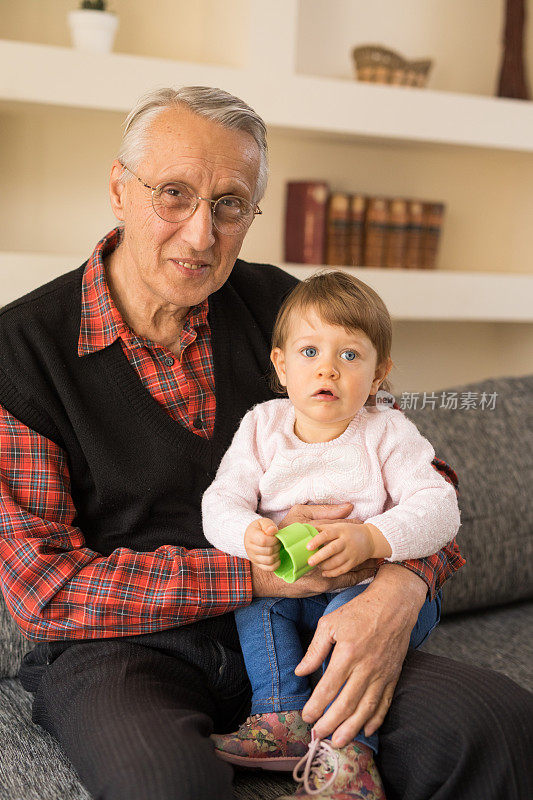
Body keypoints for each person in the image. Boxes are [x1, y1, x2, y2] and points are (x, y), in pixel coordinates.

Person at [0, 86, 530, 800]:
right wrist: (263, 573)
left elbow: (424, 477)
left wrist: (401, 587)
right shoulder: (21, 352)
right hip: (125, 652)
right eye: (174, 195)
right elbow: (44, 589)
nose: (199, 234)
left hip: (314, 623)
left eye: (229, 205)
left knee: (494, 723)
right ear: (118, 189)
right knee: (165, 785)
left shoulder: (288, 309)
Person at [202, 271, 461, 797]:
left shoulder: (387, 432)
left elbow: (440, 506)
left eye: (349, 355)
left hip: (366, 587)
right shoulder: (261, 427)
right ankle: (281, 717)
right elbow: (220, 500)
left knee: (356, 623)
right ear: (279, 363)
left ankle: (349, 760)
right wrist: (248, 532)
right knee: (253, 600)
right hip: (289, 586)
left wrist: (372, 539)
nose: (327, 368)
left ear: (378, 373)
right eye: (310, 351)